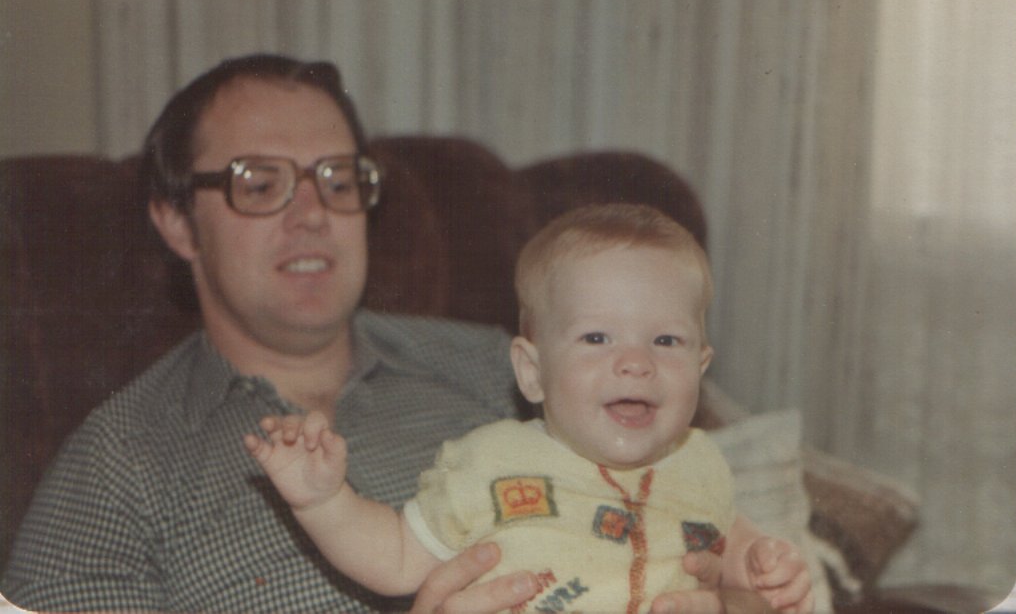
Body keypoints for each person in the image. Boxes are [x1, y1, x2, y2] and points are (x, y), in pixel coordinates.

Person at [2, 54, 744, 614]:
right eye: (259, 183)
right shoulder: (116, 467)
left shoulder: (496, 365)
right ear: (177, 222)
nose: (312, 214)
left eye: (337, 179)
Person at [245, 204, 814, 614]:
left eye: (666, 341)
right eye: (597, 338)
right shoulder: (491, 464)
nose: (636, 363)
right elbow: (394, 556)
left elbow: (733, 543)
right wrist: (323, 501)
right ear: (532, 371)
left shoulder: (701, 462)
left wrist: (763, 569)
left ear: (701, 366)